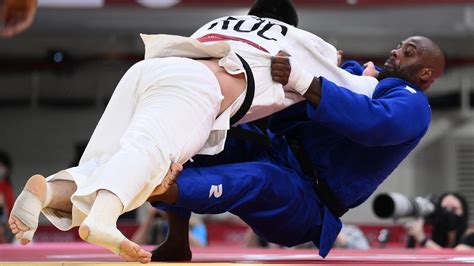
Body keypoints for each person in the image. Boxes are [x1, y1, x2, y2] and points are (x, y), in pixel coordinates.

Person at [8, 0, 378, 263]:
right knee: (152, 156)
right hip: (198, 87)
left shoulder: (221, 23)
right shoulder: (300, 39)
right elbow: (356, 93)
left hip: (148, 70)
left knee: (110, 160)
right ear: (292, 25)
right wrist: (366, 75)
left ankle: (49, 191)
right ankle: (104, 219)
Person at [148, 35, 445, 261]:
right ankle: (176, 239)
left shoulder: (414, 104)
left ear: (425, 76)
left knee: (261, 177)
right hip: (277, 152)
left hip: (308, 202)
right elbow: (339, 75)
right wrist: (331, 64)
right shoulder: (369, 78)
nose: (396, 52)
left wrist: (302, 79)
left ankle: (156, 187)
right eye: (400, 46)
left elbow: (372, 123)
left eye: (408, 53)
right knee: (213, 135)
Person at [405, 192, 474, 250]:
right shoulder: (436, 235)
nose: (448, 213)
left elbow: (455, 256)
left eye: (454, 209)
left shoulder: (470, 236)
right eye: (444, 209)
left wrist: (422, 239)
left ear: (464, 211)